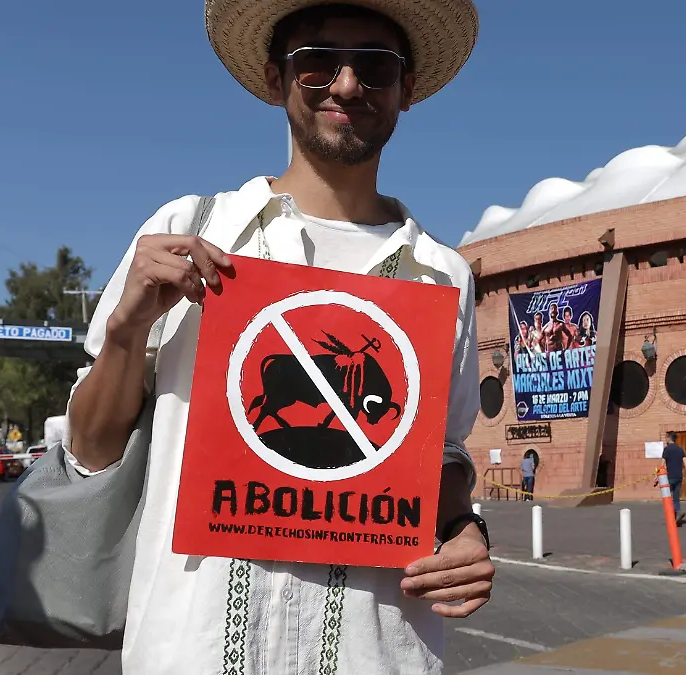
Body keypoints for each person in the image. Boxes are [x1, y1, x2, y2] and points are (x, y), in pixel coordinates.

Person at [63, 2, 491, 672]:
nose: (346, 86)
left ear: (407, 89)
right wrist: (126, 329)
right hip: (194, 651)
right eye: (317, 62)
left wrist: (464, 527)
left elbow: (440, 454)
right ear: (274, 78)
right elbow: (89, 447)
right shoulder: (188, 229)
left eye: (375, 66)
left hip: (374, 653)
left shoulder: (444, 275)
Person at [661, 431, 686, 525]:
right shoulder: (680, 449)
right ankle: (677, 511)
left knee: (668, 497)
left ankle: (672, 516)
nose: (665, 439)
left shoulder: (667, 449)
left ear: (669, 438)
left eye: (666, 437)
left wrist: (657, 477)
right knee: (676, 497)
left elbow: (662, 465)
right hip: (679, 477)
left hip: (669, 477)